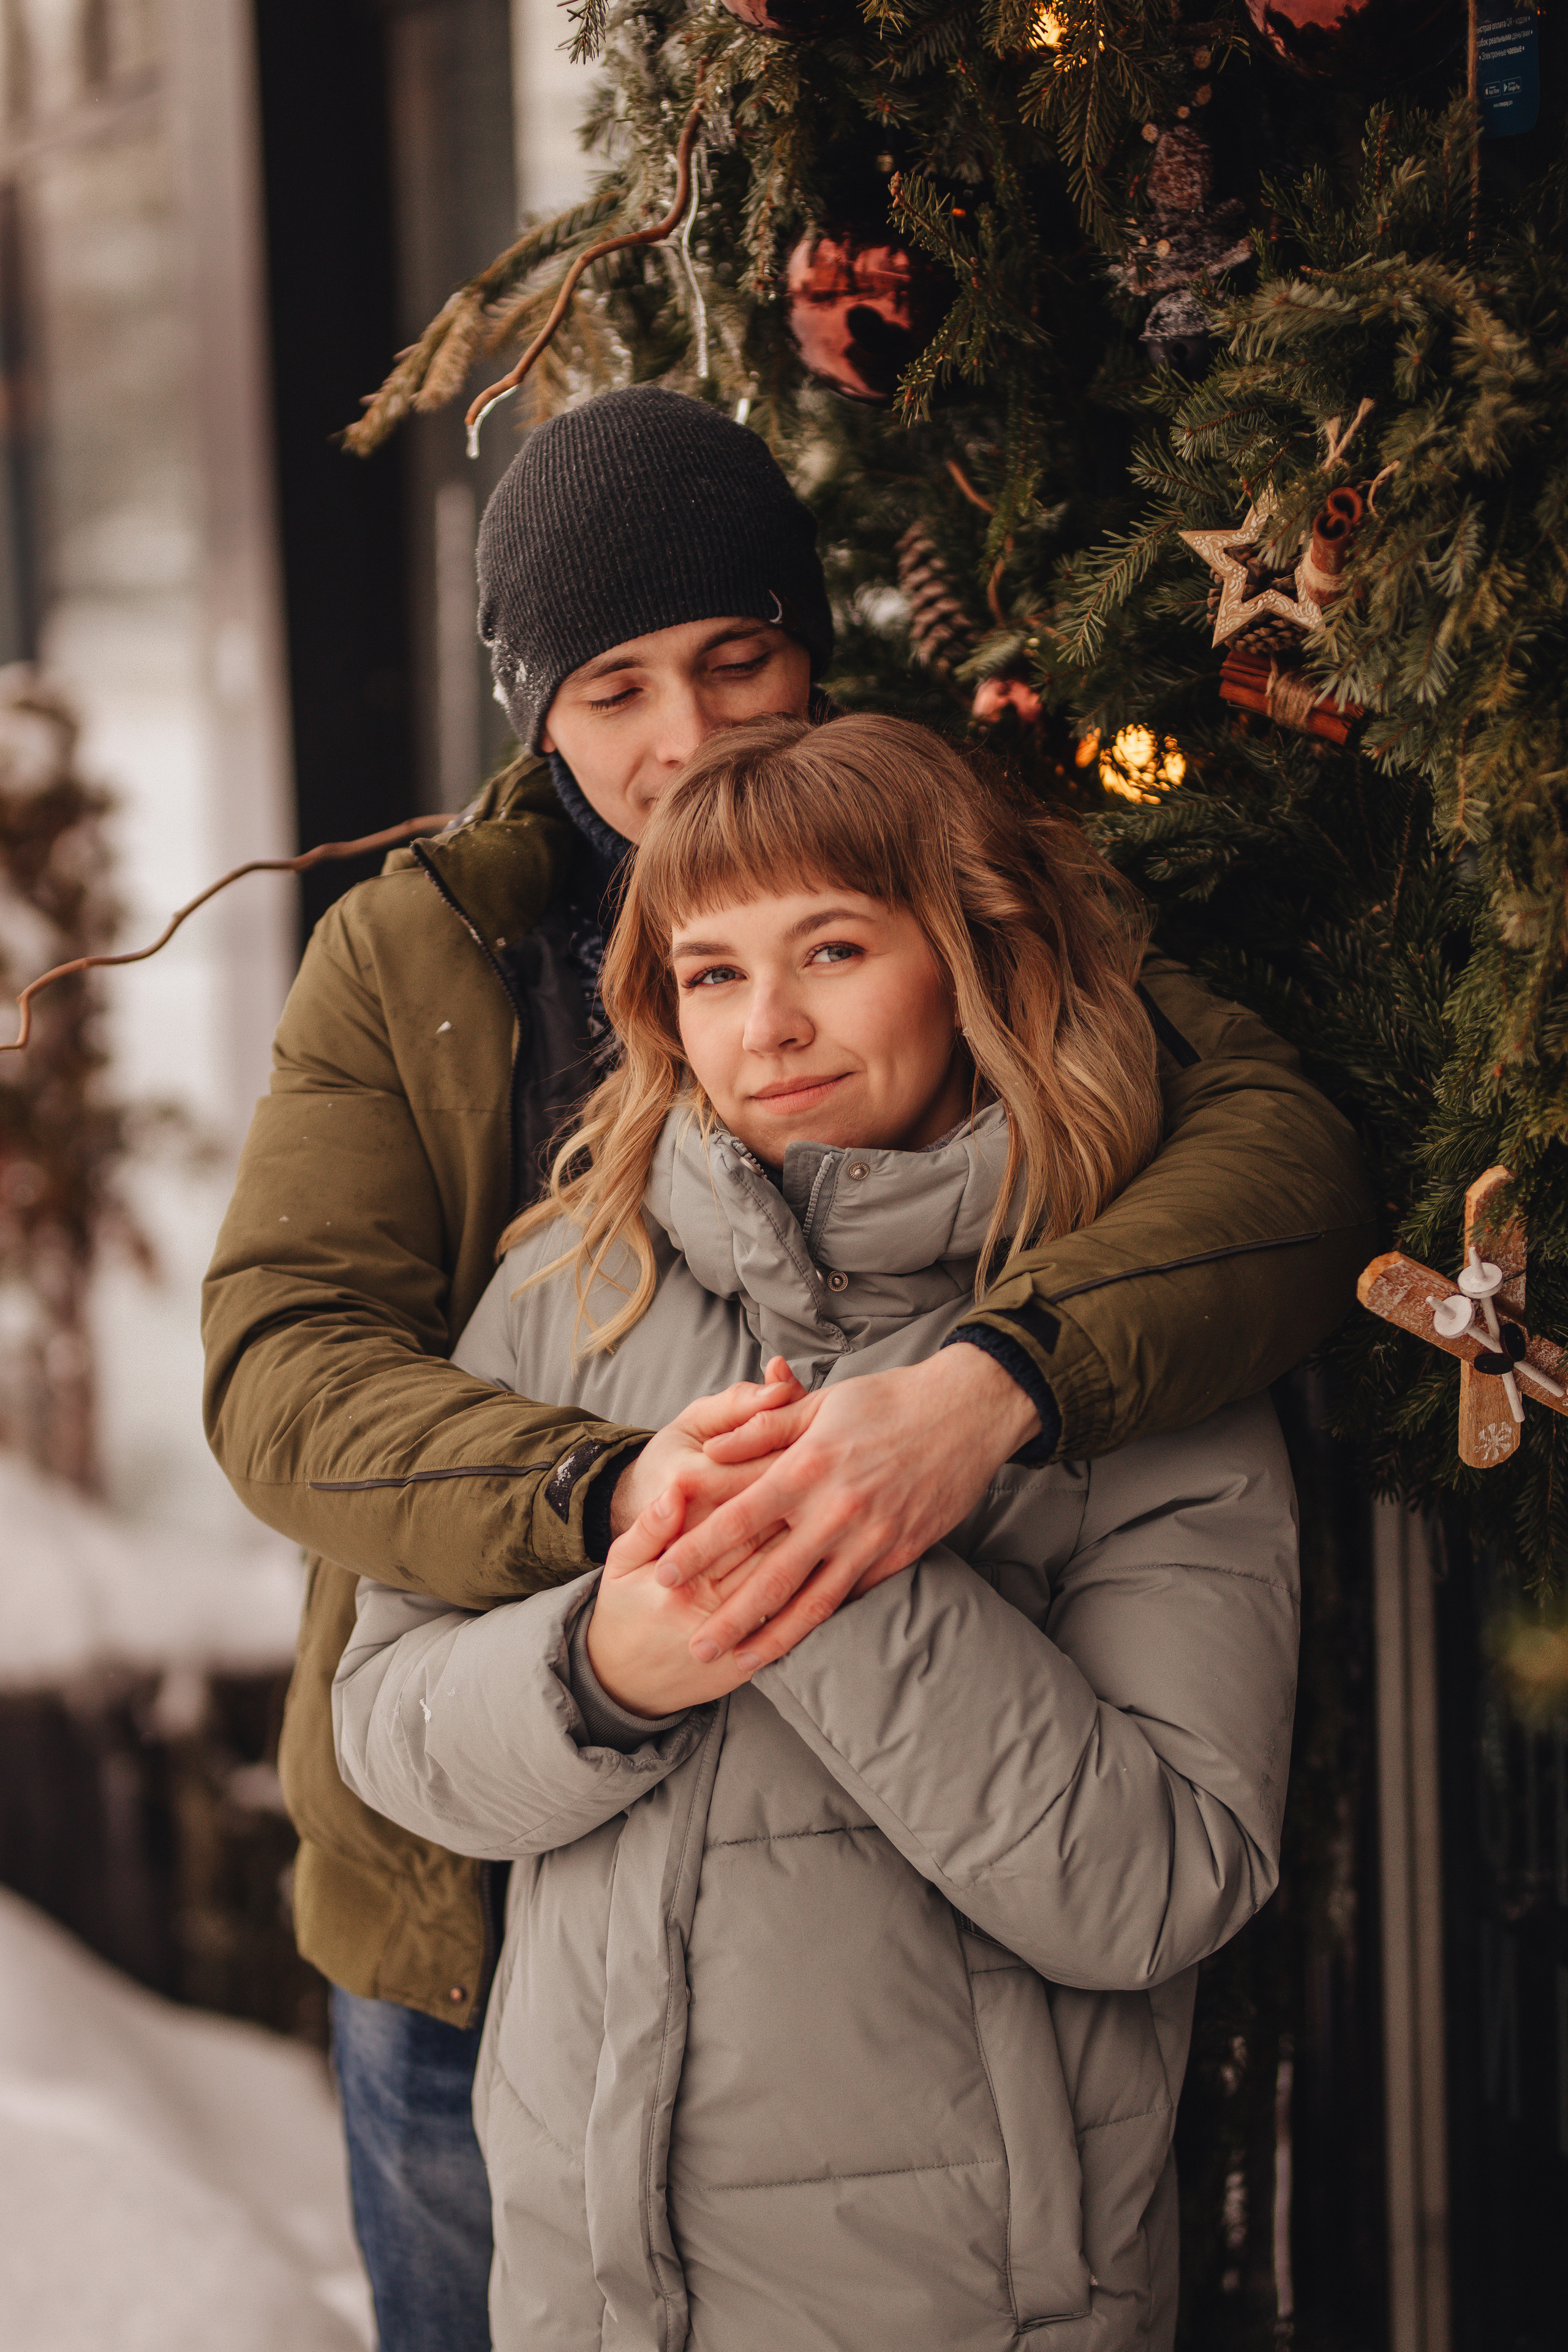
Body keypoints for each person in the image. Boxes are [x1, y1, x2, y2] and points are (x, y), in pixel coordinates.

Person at [201, 386, 1367, 2350]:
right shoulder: (414, 966)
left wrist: (991, 1381)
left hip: (900, 2016)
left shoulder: (951, 872)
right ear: (533, 714)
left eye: (736, 664)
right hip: (478, 1917)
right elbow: (286, 1368)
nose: (683, 741)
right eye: (612, 692)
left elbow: (1280, 1159)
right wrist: (618, 1504)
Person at [332, 712, 1302, 2352]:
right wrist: (602, 1669)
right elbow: (384, 1721)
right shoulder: (573, 1289)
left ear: (970, 954)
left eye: (832, 949)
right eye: (711, 973)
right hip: (588, 2290)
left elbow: (1162, 1882)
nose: (768, 1026)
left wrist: (823, 1566)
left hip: (975, 2302)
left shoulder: (1123, 1345)